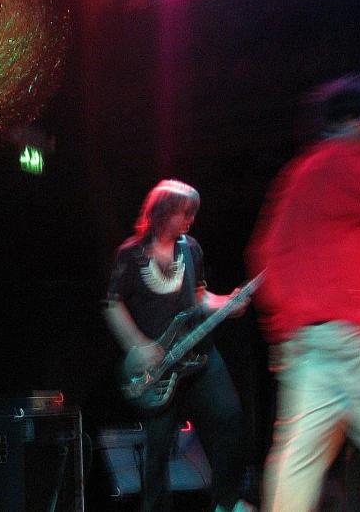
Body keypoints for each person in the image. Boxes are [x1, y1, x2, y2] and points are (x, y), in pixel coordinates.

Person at [247, 74, 360, 512]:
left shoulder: (302, 174)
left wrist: (286, 329)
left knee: (299, 457)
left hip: (309, 343)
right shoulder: (343, 162)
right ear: (351, 121)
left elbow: (266, 256)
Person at [104, 179, 255, 512]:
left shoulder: (192, 248)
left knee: (231, 420)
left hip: (199, 355)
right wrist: (138, 345)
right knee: (158, 446)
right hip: (160, 365)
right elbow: (112, 304)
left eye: (192, 213)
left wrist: (227, 303)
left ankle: (226, 503)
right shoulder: (130, 254)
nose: (191, 219)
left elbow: (200, 296)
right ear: (163, 212)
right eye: (185, 213)